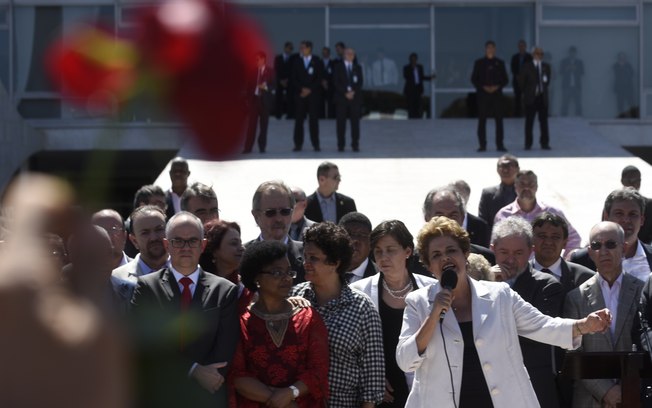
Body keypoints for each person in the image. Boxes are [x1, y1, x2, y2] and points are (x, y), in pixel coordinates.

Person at [396, 216, 611, 407]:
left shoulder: (500, 296)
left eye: (451, 250)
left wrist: (583, 325)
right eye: (436, 255)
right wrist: (434, 314)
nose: (445, 258)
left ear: (465, 254)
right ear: (429, 265)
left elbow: (542, 325)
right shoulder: (418, 302)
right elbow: (405, 360)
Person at [130, 212, 239, 408]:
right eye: (178, 241)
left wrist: (205, 377)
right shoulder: (147, 287)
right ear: (167, 245)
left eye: (192, 241)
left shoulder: (224, 291)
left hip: (206, 397)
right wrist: (192, 370)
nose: (186, 247)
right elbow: (144, 343)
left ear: (203, 245)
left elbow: (224, 351)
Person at [291, 222, 385, 407]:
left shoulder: (362, 308)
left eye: (314, 258)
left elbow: (372, 385)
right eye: (305, 257)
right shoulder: (293, 297)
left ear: (335, 262)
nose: (306, 264)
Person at [229, 240, 330, 407]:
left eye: (289, 272)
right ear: (256, 277)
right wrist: (280, 400)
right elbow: (238, 375)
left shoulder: (308, 317)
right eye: (277, 273)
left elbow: (318, 370)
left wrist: (291, 393)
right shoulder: (242, 322)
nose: (286, 279)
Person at [350, 220, 436, 407]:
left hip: (425, 389)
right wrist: (373, 379)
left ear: (407, 251)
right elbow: (351, 348)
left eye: (391, 250)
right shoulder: (358, 292)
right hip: (379, 395)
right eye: (378, 251)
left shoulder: (431, 290)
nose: (383, 257)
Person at [564, 221, 644, 408]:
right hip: (590, 400)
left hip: (634, 396)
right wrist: (606, 391)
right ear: (590, 252)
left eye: (610, 244)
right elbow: (573, 354)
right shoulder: (576, 298)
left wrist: (627, 388)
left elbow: (646, 345)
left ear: (624, 248)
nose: (603, 250)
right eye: (596, 245)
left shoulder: (642, 291)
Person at [490, 216, 564, 408]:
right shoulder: (480, 285)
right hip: (493, 386)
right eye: (504, 252)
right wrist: (489, 285)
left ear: (531, 251)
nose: (511, 260)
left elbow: (536, 333)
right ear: (493, 249)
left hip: (534, 385)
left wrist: (503, 290)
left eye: (518, 253)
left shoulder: (547, 285)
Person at [570, 187, 652, 281]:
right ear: (606, 217)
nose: (626, 220)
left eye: (632, 214)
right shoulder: (582, 260)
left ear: (642, 220)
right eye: (619, 214)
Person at [494, 169, 581, 256]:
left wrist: (567, 260)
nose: (526, 188)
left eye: (530, 184)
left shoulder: (552, 212)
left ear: (537, 186)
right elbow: (495, 244)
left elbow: (574, 238)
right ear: (515, 187)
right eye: (522, 184)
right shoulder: (504, 215)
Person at [248, 180, 305, 283]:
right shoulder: (241, 257)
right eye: (271, 212)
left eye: (285, 211)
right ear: (256, 216)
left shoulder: (309, 256)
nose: (278, 219)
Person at [422, 186, 494, 264]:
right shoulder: (413, 262)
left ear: (462, 217)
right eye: (440, 216)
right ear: (427, 218)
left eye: (453, 216)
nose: (447, 221)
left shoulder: (485, 259)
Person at [112, 205, 169, 302]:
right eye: (145, 233)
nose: (154, 238)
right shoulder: (116, 279)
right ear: (134, 241)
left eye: (159, 230)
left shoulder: (188, 272)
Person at [201, 219, 252, 315]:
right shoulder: (197, 289)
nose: (242, 248)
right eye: (234, 243)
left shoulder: (246, 290)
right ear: (214, 250)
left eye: (240, 243)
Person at [471, 40, 509, 152]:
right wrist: (484, 87)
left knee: (499, 121)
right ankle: (482, 145)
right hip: (483, 96)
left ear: (495, 49)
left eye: (492, 47)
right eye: (488, 47)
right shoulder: (479, 63)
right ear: (485, 49)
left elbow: (505, 80)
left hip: (497, 96)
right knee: (482, 121)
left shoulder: (500, 63)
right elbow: (473, 79)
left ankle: (500, 145)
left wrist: (497, 87)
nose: (490, 49)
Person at [291, 40, 324, 152]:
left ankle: (316, 144)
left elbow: (319, 78)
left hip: (313, 96)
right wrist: (302, 89)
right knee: (299, 120)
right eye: (301, 47)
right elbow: (293, 78)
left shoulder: (317, 61)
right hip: (300, 95)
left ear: (309, 48)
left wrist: (310, 89)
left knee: (313, 120)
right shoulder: (296, 61)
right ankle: (298, 144)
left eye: (304, 47)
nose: (301, 49)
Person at [519, 46, 551, 150]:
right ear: (533, 55)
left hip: (542, 97)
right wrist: (527, 92)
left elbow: (547, 81)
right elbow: (521, 82)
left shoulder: (546, 66)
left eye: (541, 54)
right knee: (529, 122)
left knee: (544, 122)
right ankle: (528, 143)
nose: (539, 56)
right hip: (531, 98)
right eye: (537, 53)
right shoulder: (527, 66)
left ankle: (544, 143)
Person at [333, 47, 364, 152]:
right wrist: (345, 93)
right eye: (348, 53)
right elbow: (336, 83)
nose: (350, 55)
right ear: (344, 55)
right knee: (341, 124)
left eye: (352, 54)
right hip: (342, 99)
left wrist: (353, 92)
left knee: (355, 123)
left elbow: (360, 82)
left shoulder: (357, 67)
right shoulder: (338, 67)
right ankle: (341, 145)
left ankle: (355, 144)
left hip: (354, 99)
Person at [243, 51, 275, 154]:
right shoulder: (252, 71)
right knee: (251, 126)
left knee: (264, 126)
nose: (256, 61)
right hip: (255, 101)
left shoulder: (270, 71)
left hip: (265, 101)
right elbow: (248, 87)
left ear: (263, 59)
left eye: (257, 59)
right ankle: (248, 147)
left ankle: (262, 147)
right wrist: (248, 99)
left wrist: (265, 87)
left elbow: (274, 86)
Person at [478, 154, 520, 230]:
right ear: (497, 170)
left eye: (509, 166)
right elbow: (483, 222)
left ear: (518, 169)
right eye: (502, 166)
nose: (505, 170)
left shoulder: (525, 193)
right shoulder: (488, 194)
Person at [339, 211, 378, 284]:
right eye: (349, 234)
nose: (354, 240)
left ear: (371, 242)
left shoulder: (382, 277)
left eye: (361, 235)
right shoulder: (323, 272)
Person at [621, 165, 652, 244]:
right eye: (629, 180)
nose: (633, 184)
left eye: (637, 180)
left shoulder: (649, 205)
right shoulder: (613, 203)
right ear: (622, 181)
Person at [403, 53, 435, 119]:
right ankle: (411, 119)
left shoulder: (420, 67)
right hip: (410, 91)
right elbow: (406, 77)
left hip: (418, 90)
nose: (413, 61)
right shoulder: (406, 68)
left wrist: (430, 78)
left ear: (416, 60)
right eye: (412, 59)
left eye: (414, 59)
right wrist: (412, 69)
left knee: (418, 106)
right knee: (410, 107)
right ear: (410, 60)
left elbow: (421, 77)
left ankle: (418, 119)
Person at [510, 40, 532, 117]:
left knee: (527, 99)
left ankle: (527, 115)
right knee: (517, 99)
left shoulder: (529, 57)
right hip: (517, 81)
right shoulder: (514, 57)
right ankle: (517, 115)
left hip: (527, 82)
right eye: (520, 46)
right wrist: (518, 76)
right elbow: (512, 69)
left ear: (525, 47)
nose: (521, 47)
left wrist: (525, 77)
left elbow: (531, 69)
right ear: (518, 47)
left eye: (523, 46)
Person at [560, 46, 584, 117]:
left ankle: (579, 118)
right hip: (566, 86)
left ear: (575, 53)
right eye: (571, 52)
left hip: (577, 86)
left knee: (578, 103)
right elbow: (560, 72)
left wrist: (576, 69)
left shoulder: (579, 62)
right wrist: (567, 69)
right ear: (569, 53)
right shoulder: (564, 61)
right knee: (565, 103)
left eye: (573, 52)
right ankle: (563, 118)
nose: (572, 54)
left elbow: (582, 72)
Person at [274, 41, 296, 119]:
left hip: (289, 81)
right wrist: (280, 80)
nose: (290, 50)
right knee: (278, 98)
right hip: (280, 81)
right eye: (289, 48)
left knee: (290, 98)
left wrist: (287, 80)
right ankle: (278, 114)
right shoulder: (278, 58)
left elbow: (293, 71)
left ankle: (289, 114)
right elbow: (275, 70)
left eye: (291, 49)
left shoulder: (293, 59)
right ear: (285, 48)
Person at [613, 52, 634, 117]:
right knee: (620, 103)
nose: (622, 58)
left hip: (628, 87)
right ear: (618, 58)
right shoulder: (615, 66)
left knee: (630, 102)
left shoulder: (628, 65)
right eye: (621, 57)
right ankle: (621, 117)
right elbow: (614, 75)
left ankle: (632, 117)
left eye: (623, 57)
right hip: (619, 88)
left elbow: (632, 74)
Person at [321, 46, 336, 119]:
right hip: (320, 86)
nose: (325, 54)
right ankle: (321, 117)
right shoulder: (319, 62)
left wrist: (328, 83)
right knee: (320, 103)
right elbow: (317, 74)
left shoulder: (333, 63)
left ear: (329, 54)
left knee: (330, 103)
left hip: (330, 86)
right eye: (323, 53)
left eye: (326, 53)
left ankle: (330, 117)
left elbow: (334, 75)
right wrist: (322, 81)